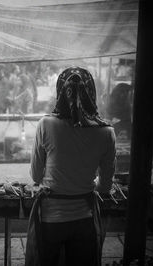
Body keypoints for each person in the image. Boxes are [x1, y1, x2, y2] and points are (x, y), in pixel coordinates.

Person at [26, 67, 116, 266]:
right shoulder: (107, 132)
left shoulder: (46, 124)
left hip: (51, 219)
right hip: (85, 220)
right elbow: (105, 187)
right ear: (91, 92)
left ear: (60, 92)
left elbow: (35, 174)